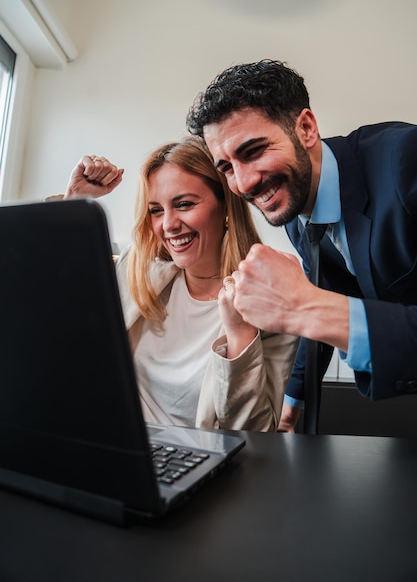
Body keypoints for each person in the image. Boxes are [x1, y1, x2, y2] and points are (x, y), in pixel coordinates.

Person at [185, 58, 417, 432]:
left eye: (253, 151)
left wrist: (304, 307)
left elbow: (316, 301)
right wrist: (294, 400)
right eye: (227, 167)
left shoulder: (407, 159)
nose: (243, 184)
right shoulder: (293, 206)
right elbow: (330, 287)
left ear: (306, 128)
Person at [61, 137, 299, 431]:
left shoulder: (270, 295)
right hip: (117, 445)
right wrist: (74, 200)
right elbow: (57, 309)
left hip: (203, 466)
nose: (168, 224)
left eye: (184, 204)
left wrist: (240, 336)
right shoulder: (139, 270)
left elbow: (256, 434)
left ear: (226, 207)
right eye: (156, 210)